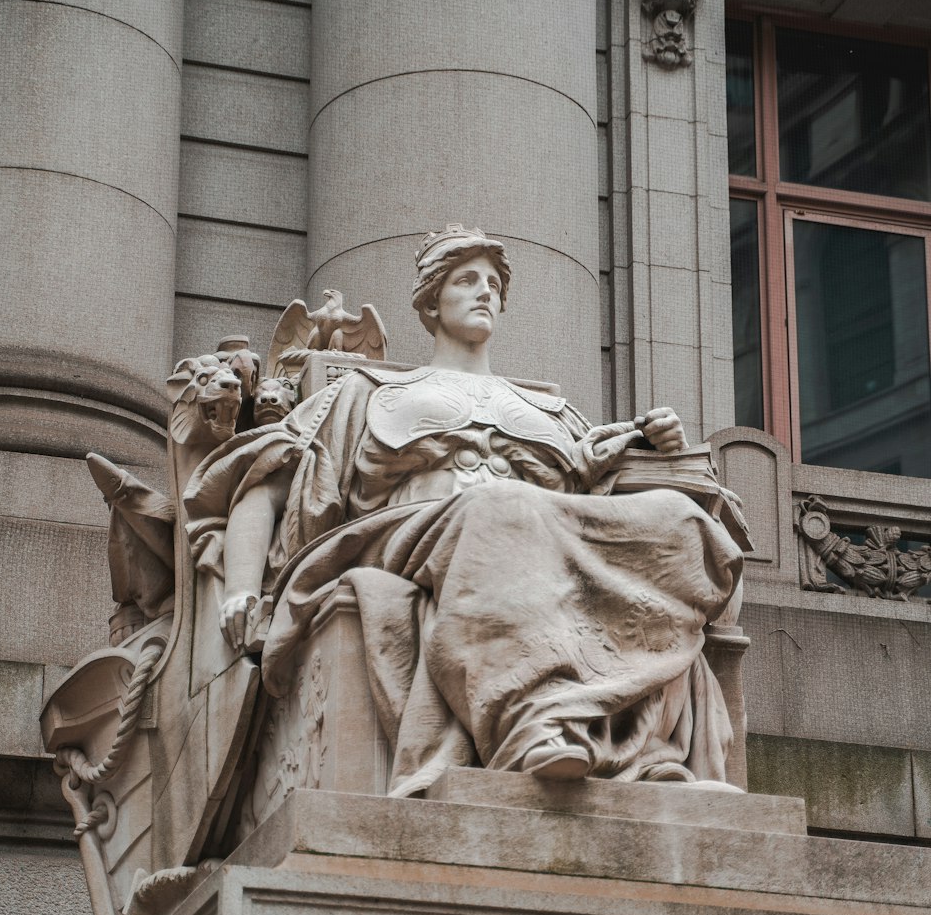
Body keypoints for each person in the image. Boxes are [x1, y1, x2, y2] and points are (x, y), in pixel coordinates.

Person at [184, 226, 744, 797]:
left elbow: (594, 494)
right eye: (466, 280)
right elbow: (266, 484)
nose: (485, 293)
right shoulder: (365, 391)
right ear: (431, 299)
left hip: (529, 537)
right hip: (406, 534)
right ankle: (532, 730)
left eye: (495, 285)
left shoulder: (551, 411)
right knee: (500, 507)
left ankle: (651, 764)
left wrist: (657, 445)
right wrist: (241, 588)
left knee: (678, 520)